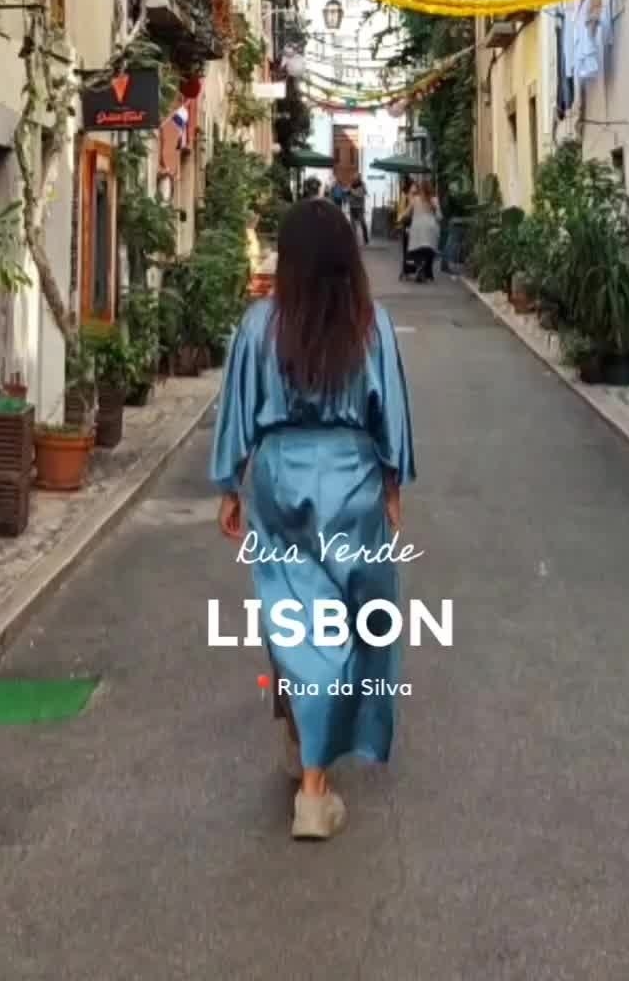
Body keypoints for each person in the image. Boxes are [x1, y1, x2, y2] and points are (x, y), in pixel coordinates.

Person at [210, 197, 416, 842]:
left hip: (279, 477)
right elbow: (392, 412)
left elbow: (237, 408)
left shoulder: (258, 326)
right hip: (352, 478)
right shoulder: (369, 324)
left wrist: (230, 485)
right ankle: (316, 782)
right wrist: (390, 482)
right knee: (360, 621)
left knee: (294, 615)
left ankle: (311, 767)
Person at [406, 178, 441, 284]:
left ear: (420, 189)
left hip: (417, 227)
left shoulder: (415, 200)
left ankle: (420, 266)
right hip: (431, 227)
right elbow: (439, 217)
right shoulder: (434, 200)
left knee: (416, 250)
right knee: (429, 251)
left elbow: (407, 213)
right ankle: (428, 274)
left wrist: (401, 219)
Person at [347, 175, 369, 245]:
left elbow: (359, 195)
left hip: (359, 207)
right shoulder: (351, 185)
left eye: (356, 179)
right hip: (352, 207)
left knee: (362, 223)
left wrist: (351, 190)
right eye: (354, 179)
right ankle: (353, 240)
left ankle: (366, 239)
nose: (354, 180)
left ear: (359, 179)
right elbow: (348, 194)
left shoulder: (362, 185)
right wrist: (347, 193)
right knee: (353, 224)